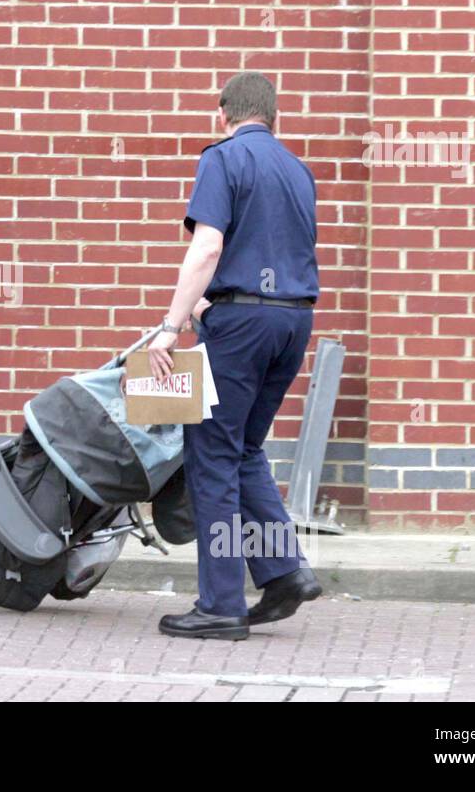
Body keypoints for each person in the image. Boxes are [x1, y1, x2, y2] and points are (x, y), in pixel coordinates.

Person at [147, 71, 322, 641]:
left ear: (223, 112)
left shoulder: (222, 159)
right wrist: (208, 304)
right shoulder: (298, 170)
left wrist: (171, 326)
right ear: (274, 117)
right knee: (245, 448)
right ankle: (283, 572)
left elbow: (210, 245)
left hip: (242, 326)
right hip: (293, 320)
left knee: (213, 454)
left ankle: (221, 604)